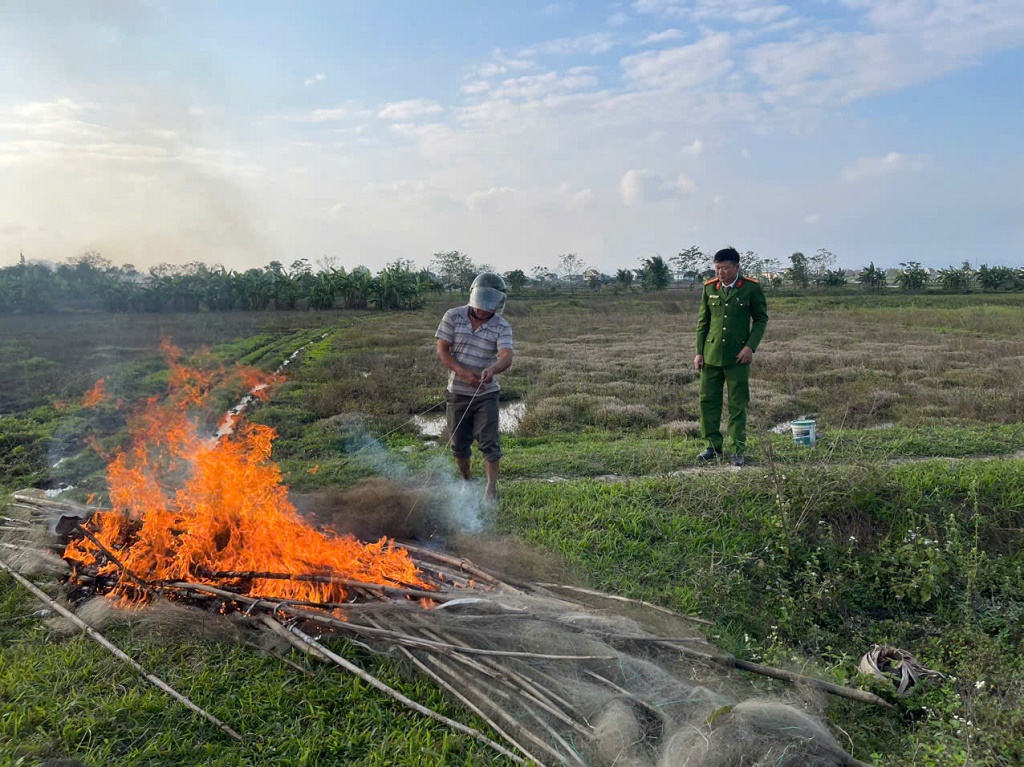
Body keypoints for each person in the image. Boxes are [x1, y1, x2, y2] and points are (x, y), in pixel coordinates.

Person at [435, 272, 514, 500]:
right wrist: (464, 374)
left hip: (486, 393)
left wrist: (492, 370)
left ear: (497, 305)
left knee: (489, 442)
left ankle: (491, 487)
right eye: (480, 304)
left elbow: (506, 356)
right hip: (457, 392)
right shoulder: (453, 316)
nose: (482, 310)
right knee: (459, 445)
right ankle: (466, 482)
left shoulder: (502, 326)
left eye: (488, 306)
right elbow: (443, 350)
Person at [694, 247, 769, 467]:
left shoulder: (750, 289)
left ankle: (737, 450)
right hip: (711, 356)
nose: (720, 272)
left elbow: (761, 319)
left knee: (737, 404)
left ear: (737, 267)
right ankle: (713, 447)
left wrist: (750, 347)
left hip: (738, 358)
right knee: (708, 402)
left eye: (725, 268)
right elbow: (703, 323)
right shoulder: (709, 289)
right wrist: (699, 352)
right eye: (717, 268)